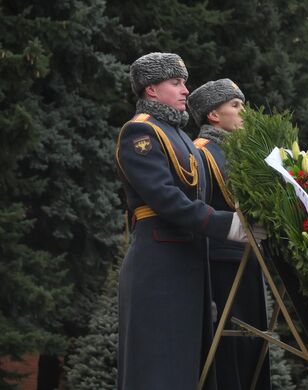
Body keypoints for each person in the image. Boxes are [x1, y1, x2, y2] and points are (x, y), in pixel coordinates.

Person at [115, 54, 263, 390]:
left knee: (188, 369)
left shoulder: (178, 135)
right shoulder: (140, 131)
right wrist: (230, 226)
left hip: (188, 261)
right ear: (151, 89)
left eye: (184, 81)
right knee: (159, 369)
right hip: (158, 263)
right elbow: (167, 199)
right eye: (176, 82)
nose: (186, 90)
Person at [187, 79, 271, 390]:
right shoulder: (199, 153)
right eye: (235, 106)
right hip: (218, 261)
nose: (243, 113)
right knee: (227, 350)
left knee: (251, 346)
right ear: (213, 115)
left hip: (247, 258)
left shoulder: (240, 152)